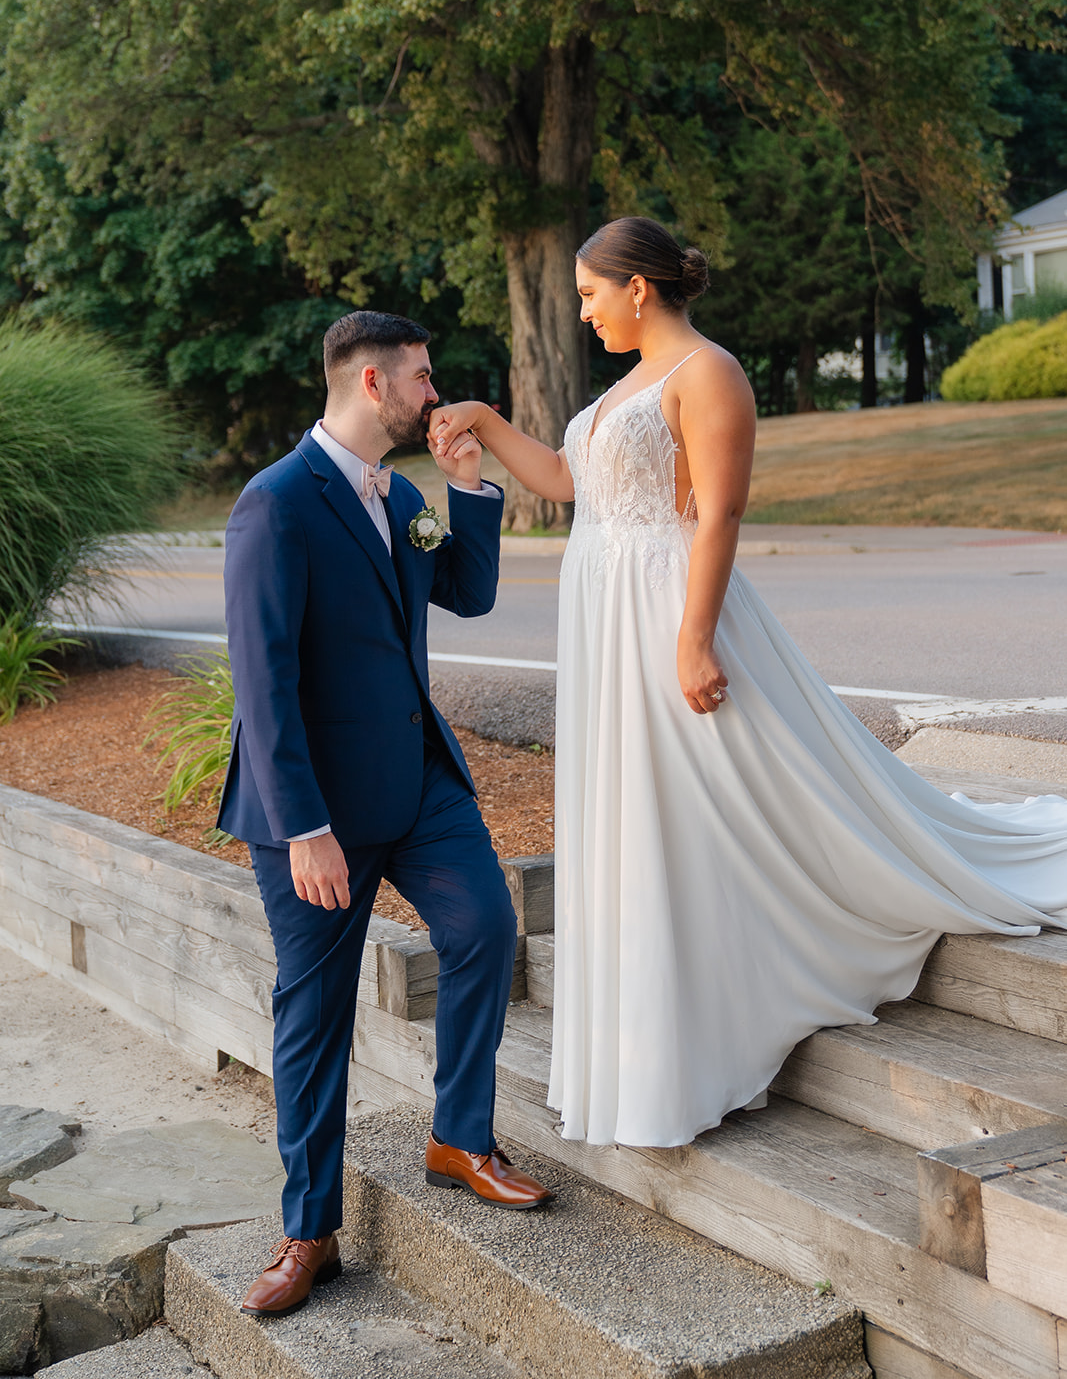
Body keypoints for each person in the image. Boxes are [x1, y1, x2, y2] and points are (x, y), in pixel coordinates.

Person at [431, 215, 1067, 1151]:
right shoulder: (625, 387)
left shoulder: (707, 374)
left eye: (588, 294)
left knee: (706, 793)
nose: (582, 311)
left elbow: (720, 512)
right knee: (640, 806)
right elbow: (569, 482)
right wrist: (483, 423)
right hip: (605, 614)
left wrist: (692, 640)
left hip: (664, 608)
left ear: (636, 289)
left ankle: (719, 1013)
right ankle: (647, 1042)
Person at [220, 310, 551, 1321]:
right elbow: (263, 681)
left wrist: (469, 486)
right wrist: (303, 824)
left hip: (417, 785)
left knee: (484, 929)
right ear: (371, 382)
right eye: (418, 377)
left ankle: (458, 1136)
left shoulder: (402, 493)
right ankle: (308, 1231)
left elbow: (470, 591)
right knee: (313, 1018)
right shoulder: (274, 505)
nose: (430, 391)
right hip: (313, 812)